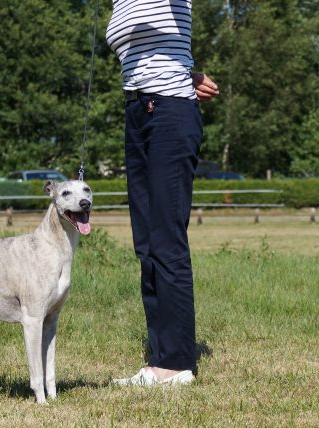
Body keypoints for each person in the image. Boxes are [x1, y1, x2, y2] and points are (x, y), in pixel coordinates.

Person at [107, 0, 219, 386]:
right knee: (146, 243)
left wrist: (180, 78)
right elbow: (155, 52)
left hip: (169, 113)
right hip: (138, 111)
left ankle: (177, 362)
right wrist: (187, 72)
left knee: (167, 240)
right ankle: (159, 360)